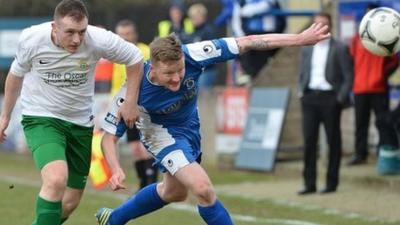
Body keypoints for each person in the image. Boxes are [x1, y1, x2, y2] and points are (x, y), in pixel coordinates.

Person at [95, 21, 330, 225]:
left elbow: (248, 41)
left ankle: (115, 219)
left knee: (174, 192)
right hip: (161, 135)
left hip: (190, 128)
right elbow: (109, 137)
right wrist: (115, 169)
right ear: (153, 67)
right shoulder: (133, 91)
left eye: (180, 70)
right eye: (169, 74)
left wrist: (298, 39)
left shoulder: (194, 53)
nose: (177, 78)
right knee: (203, 189)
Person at [0, 0, 144, 224]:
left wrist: (131, 101)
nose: (77, 39)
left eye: (81, 32)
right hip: (41, 117)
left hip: (80, 123)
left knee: (70, 202)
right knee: (56, 179)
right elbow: (15, 76)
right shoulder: (31, 39)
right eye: (70, 32)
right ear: (54, 28)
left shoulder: (98, 39)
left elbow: (135, 58)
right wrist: (5, 117)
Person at [297, 13, 353, 195]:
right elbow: (303, 72)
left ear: (331, 26)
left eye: (325, 24)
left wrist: (340, 98)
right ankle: (309, 184)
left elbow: (348, 76)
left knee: (333, 142)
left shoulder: (340, 47)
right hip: (310, 98)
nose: (321, 27)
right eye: (317, 24)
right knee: (309, 143)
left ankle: (331, 183)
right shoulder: (306, 48)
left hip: (331, 99)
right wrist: (301, 91)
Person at [348, 3, 399, 166]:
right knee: (360, 123)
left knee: (383, 122)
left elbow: (393, 61)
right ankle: (360, 154)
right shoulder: (357, 39)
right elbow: (352, 60)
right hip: (360, 88)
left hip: (379, 88)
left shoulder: (387, 37)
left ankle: (383, 152)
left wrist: (381, 76)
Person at [112, 19, 158, 191]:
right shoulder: (116, 55)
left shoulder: (145, 51)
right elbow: (116, 83)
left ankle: (151, 183)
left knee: (146, 146)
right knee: (135, 148)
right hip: (124, 107)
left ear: (135, 34)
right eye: (121, 35)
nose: (124, 38)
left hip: (143, 106)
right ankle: (142, 184)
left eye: (128, 34)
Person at [232, 0, 287, 79]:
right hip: (249, 37)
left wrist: (246, 11)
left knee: (266, 64)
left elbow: (265, 7)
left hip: (268, 36)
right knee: (250, 65)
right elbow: (236, 22)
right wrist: (242, 37)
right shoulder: (241, 2)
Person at [187, 3, 219, 91]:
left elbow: (213, 52)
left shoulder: (208, 31)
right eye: (193, 17)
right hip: (196, 71)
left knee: (202, 95)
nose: (195, 19)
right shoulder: (192, 33)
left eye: (197, 16)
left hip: (207, 71)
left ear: (203, 16)